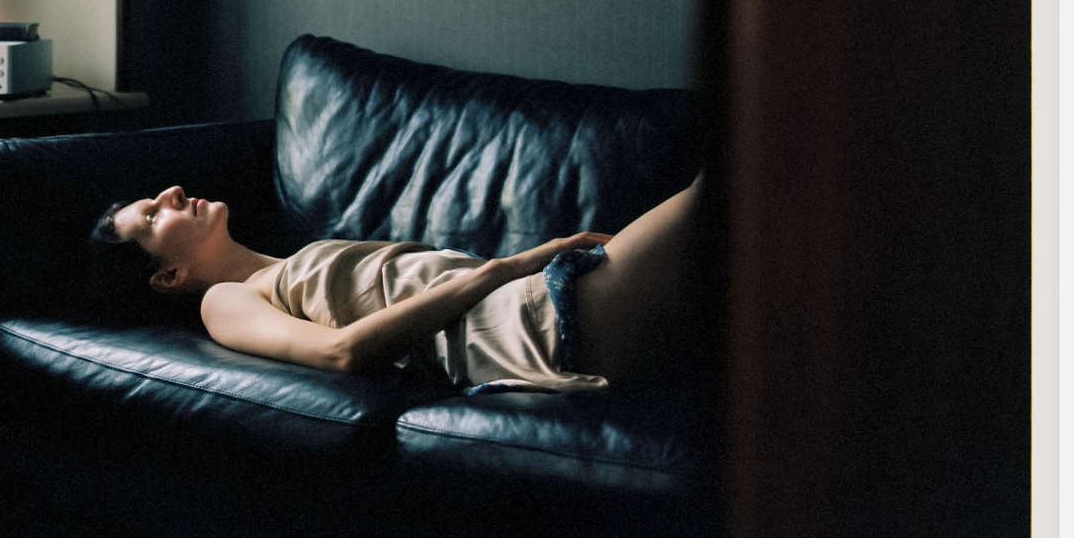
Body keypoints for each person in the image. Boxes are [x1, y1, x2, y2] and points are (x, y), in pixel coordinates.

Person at [89, 177, 703, 390]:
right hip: (535, 321)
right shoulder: (223, 301)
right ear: (169, 277)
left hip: (543, 296)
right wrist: (504, 267)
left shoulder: (280, 264)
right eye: (153, 216)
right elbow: (342, 351)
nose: (171, 193)